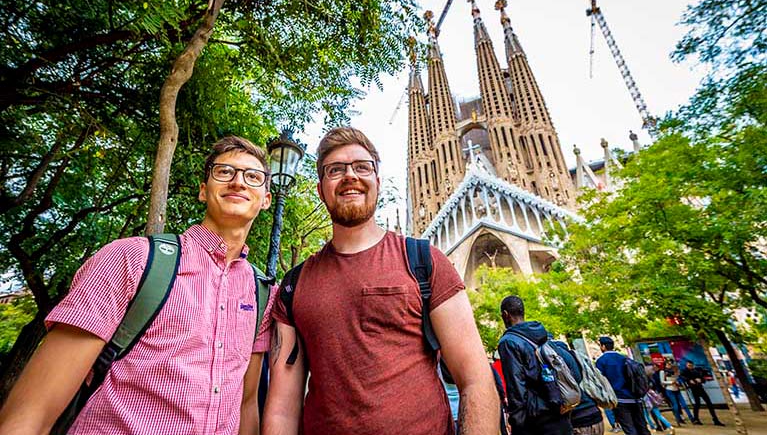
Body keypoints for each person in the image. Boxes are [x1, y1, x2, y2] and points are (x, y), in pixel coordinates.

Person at [0, 136, 276, 434]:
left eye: (253, 176)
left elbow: (246, 406)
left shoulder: (262, 293)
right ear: (202, 190)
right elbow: (33, 410)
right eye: (224, 172)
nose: (238, 182)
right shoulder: (131, 258)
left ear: (266, 200)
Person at [262, 127, 498, 435]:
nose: (350, 176)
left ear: (377, 182)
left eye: (362, 167)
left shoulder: (423, 261)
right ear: (321, 190)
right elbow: (282, 409)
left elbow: (476, 378)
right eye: (336, 170)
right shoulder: (294, 286)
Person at [497, 295, 577, 435]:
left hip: (536, 418)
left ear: (505, 315)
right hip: (558, 408)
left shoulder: (508, 342)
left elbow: (516, 386)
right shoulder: (542, 334)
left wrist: (517, 422)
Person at [595, 336, 649, 435]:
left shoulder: (601, 361)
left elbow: (599, 381)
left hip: (619, 399)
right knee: (642, 426)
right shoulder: (624, 358)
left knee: (629, 428)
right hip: (635, 397)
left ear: (603, 346)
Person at [679, 360, 725, 426]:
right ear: (686, 365)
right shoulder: (684, 371)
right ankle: (696, 419)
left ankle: (715, 419)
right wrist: (690, 380)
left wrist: (701, 380)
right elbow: (683, 377)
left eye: (691, 365)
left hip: (700, 388)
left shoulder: (696, 370)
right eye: (689, 365)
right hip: (694, 389)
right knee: (697, 404)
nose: (690, 367)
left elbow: (702, 378)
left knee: (709, 403)